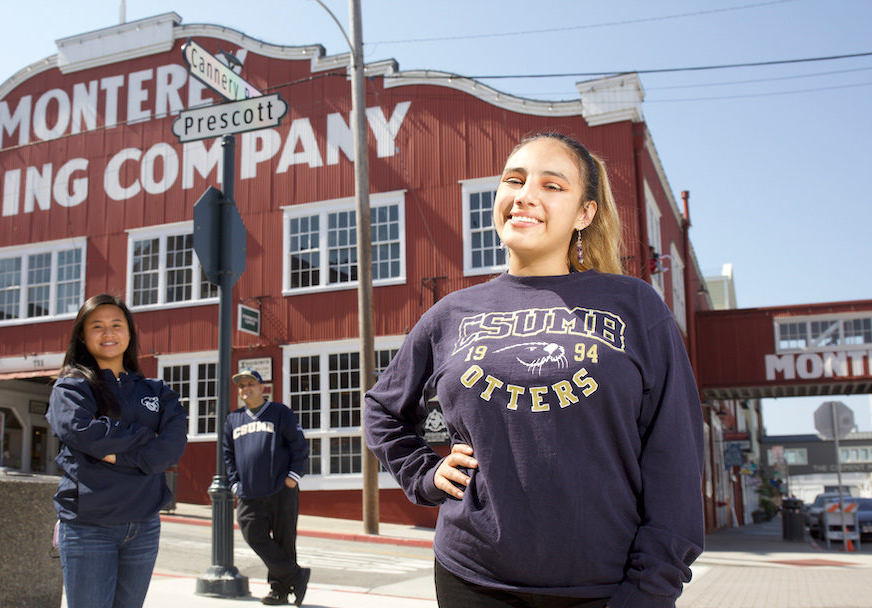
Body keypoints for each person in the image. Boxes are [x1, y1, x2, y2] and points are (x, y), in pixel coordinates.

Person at [364, 132, 705, 608]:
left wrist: (652, 587)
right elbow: (383, 408)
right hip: (472, 578)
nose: (526, 195)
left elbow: (676, 455)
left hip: (605, 588)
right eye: (514, 180)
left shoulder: (634, 306)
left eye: (552, 185)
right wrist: (424, 473)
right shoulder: (451, 314)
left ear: (584, 214)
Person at [47, 294, 188, 608]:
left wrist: (117, 453)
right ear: (82, 336)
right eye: (96, 326)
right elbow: (81, 432)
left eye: (116, 324)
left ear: (130, 333)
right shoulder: (71, 388)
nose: (107, 333)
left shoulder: (158, 392)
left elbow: (170, 450)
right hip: (89, 526)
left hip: (144, 525)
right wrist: (144, 436)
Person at [223, 369, 311, 606]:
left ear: (263, 388)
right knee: (252, 534)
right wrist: (234, 484)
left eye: (251, 384)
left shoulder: (280, 413)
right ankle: (296, 575)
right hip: (249, 492)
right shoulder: (233, 419)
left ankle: (279, 591)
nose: (245, 389)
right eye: (241, 386)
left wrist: (293, 477)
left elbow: (299, 445)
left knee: (284, 539)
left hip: (281, 489)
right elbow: (228, 455)